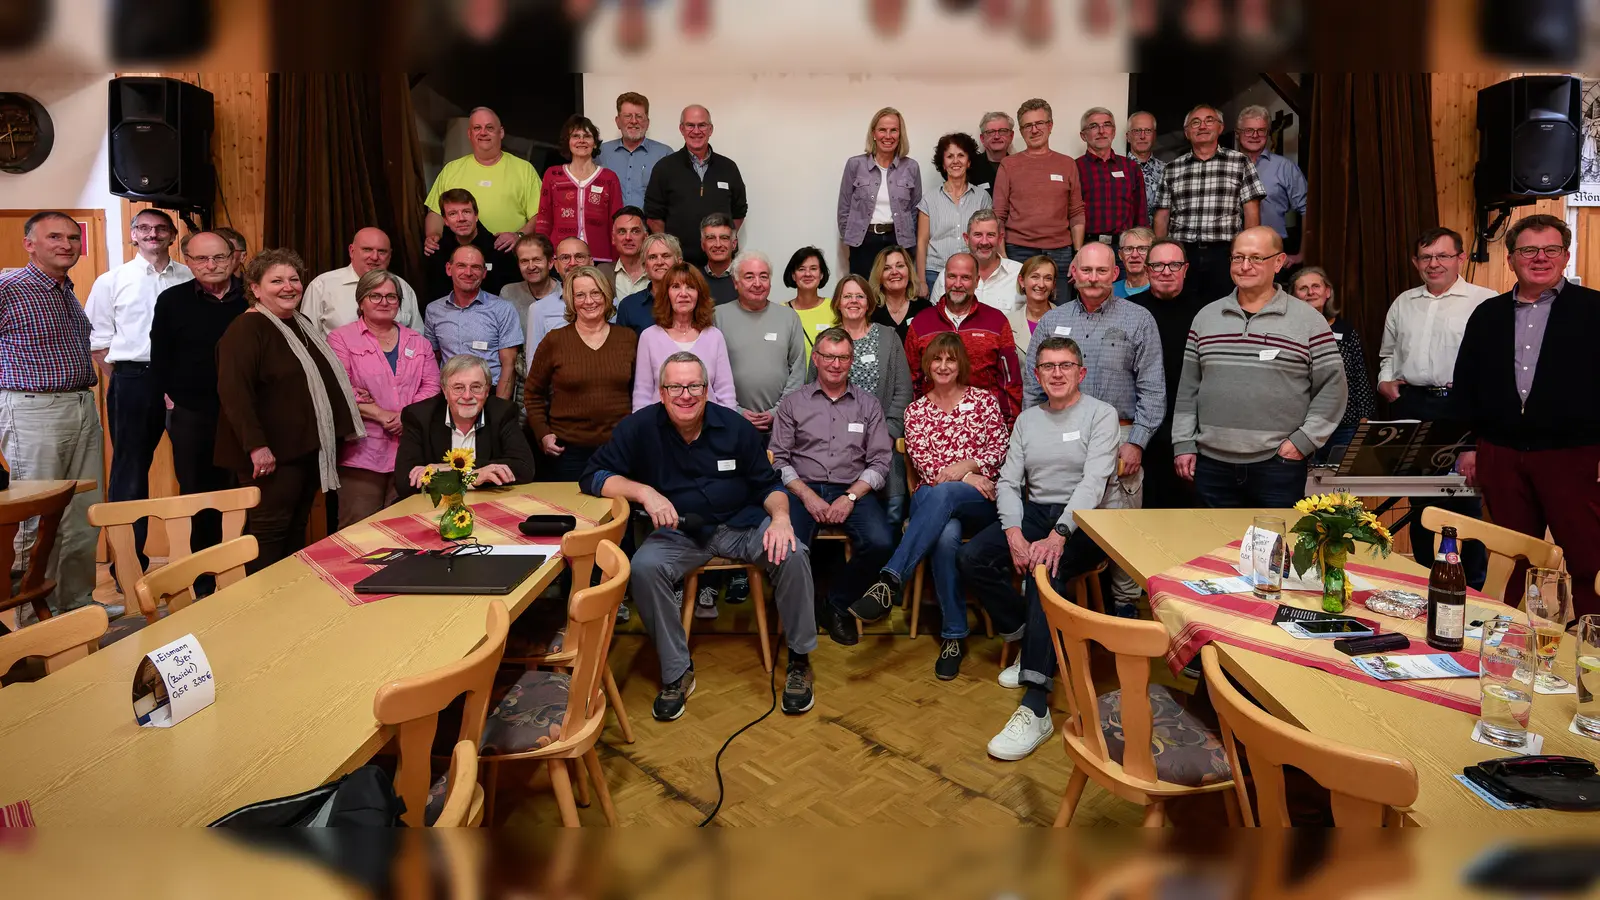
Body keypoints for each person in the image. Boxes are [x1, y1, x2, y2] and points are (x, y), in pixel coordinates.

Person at [582, 351, 818, 720]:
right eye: (675, 386)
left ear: (707, 390)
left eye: (693, 385)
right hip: (681, 533)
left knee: (793, 553)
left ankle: (800, 662)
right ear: (661, 392)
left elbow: (769, 485)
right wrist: (644, 492)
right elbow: (593, 477)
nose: (685, 394)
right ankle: (677, 671)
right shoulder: (638, 428)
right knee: (643, 567)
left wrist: (782, 518)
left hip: (742, 526)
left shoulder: (735, 427)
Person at [961, 337, 1119, 760]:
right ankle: (1028, 633)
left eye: (1065, 365)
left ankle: (1036, 704)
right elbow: (1010, 483)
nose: (1056, 373)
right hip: (1034, 511)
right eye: (1047, 366)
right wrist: (1013, 531)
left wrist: (1059, 534)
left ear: (1080, 372)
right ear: (1038, 374)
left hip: (1086, 520)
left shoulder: (1101, 415)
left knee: (1045, 572)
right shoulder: (1028, 420)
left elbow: (1094, 482)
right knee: (973, 556)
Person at [1453, 214, 1600, 619]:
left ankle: (1593, 641)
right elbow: (1467, 382)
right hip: (1499, 452)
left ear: (1566, 256)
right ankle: (1508, 636)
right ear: (1511, 259)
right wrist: (1468, 445)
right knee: (1511, 555)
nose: (1540, 258)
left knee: (1589, 556)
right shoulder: (1488, 315)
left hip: (1573, 454)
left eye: (1551, 249)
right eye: (1528, 250)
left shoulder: (1594, 310)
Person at [847, 334, 1006, 678]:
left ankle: (889, 580)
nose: (944, 366)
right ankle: (953, 637)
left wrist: (968, 469)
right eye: (937, 360)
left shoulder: (985, 402)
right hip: (932, 495)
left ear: (961, 363)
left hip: (979, 501)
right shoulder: (916, 411)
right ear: (927, 365)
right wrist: (966, 473)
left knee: (945, 501)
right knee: (945, 533)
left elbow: (999, 451)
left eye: (950, 360)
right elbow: (926, 468)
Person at [1025, 242, 1164, 616]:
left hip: (1120, 436)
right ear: (1074, 274)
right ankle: (1061, 599)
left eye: (1102, 271)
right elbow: (1032, 383)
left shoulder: (1139, 320)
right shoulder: (1053, 321)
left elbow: (1153, 388)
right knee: (1066, 510)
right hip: (1060, 432)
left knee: (1121, 525)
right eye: (1085, 270)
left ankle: (1123, 605)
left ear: (1115, 274)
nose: (1093, 278)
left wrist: (1137, 442)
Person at [1173, 227, 1347, 508]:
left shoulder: (1309, 321)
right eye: (1237, 257)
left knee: (1273, 550)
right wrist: (1183, 444)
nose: (1244, 266)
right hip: (1211, 467)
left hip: (1277, 466)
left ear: (1278, 262)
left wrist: (1303, 442)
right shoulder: (1206, 318)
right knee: (1213, 550)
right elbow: (1188, 390)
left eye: (1256, 258)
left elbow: (1333, 389)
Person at [216, 249, 362, 572]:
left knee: (295, 529)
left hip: (303, 450)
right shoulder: (246, 329)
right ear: (255, 288)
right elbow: (234, 394)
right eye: (276, 280)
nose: (288, 287)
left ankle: (285, 602)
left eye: (294, 279)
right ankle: (258, 606)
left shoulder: (302, 323)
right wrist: (257, 447)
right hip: (270, 457)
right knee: (268, 532)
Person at [0, 212, 104, 616]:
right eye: (54, 237)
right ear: (30, 244)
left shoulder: (65, 290)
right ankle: (32, 612)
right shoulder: (10, 287)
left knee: (82, 512)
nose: (67, 244)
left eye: (73, 237)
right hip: (33, 410)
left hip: (81, 405)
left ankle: (77, 603)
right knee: (37, 516)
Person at [1379, 227, 1496, 586]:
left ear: (1460, 258)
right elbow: (1388, 352)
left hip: (1460, 407)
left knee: (1465, 503)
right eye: (1426, 257)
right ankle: (1424, 580)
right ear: (1416, 262)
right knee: (1421, 505)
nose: (1434, 264)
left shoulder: (1484, 301)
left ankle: (1472, 586)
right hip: (1412, 404)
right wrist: (1386, 381)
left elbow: (1494, 363)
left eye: (1443, 256)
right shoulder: (1404, 302)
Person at [86, 209, 193, 572]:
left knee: (195, 469)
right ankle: (128, 568)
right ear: (133, 235)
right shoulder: (111, 280)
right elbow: (99, 343)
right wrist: (127, 380)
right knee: (129, 474)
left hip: (184, 383)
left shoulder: (190, 276)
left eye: (161, 228)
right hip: (133, 380)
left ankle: (199, 563)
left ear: (172, 236)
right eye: (144, 228)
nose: (152, 234)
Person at [772, 327, 894, 645]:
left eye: (842, 358)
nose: (835, 364)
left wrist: (851, 496)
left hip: (852, 489)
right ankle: (804, 612)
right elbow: (778, 459)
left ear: (851, 361)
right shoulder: (793, 404)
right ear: (816, 358)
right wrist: (807, 495)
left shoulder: (868, 405)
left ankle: (836, 604)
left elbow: (881, 462)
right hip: (801, 489)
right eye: (828, 356)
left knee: (881, 542)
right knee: (787, 549)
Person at [150, 232, 248, 561]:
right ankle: (203, 573)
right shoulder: (172, 300)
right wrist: (169, 398)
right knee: (198, 493)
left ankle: (243, 569)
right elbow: (160, 354)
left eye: (219, 257)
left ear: (234, 257)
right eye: (201, 259)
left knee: (244, 493)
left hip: (247, 414)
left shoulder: (253, 297)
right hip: (192, 413)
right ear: (188, 262)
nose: (211, 265)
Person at [327, 270, 441, 527]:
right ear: (361, 301)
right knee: (358, 531)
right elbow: (339, 388)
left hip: (410, 452)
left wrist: (405, 416)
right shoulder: (340, 339)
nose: (384, 302)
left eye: (391, 296)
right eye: (375, 296)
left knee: (407, 529)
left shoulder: (418, 341)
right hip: (361, 454)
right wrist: (382, 414)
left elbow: (432, 386)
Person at [525, 265, 639, 481]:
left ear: (606, 295)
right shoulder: (554, 340)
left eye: (596, 293)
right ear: (571, 299)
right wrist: (543, 434)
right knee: (572, 513)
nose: (589, 301)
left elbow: (639, 392)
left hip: (618, 449)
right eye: (580, 295)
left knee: (618, 512)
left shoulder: (628, 338)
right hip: (567, 452)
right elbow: (533, 394)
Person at [1153, 104, 1266, 303]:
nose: (1202, 126)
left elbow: (1251, 212)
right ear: (1187, 132)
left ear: (1220, 128)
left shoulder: (1240, 163)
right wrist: (1161, 254)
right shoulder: (1172, 168)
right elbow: (1162, 215)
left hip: (1224, 253)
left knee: (1224, 308)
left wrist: (1246, 254)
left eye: (1209, 120)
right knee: (1181, 307)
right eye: (1195, 122)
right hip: (1183, 253)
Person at [1128, 240, 1208, 509]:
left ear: (1185, 269)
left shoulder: (1207, 313)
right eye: (1158, 265)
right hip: (1141, 428)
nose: (1166, 271)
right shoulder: (1129, 311)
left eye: (1174, 264)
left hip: (1190, 427)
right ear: (1147, 270)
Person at [394, 354, 537, 499]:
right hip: (431, 508)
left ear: (487, 391)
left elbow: (524, 469)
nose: (467, 396)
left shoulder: (502, 413)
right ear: (444, 391)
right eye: (458, 387)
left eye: (476, 387)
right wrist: (473, 476)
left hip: (487, 502)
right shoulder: (419, 416)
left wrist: (443, 469)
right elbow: (405, 482)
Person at [831, 274, 913, 522]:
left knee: (893, 509)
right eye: (847, 296)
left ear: (869, 302)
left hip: (883, 440)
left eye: (859, 296)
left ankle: (891, 556)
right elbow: (814, 392)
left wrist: (887, 434)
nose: (853, 301)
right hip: (838, 442)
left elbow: (903, 390)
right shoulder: (828, 340)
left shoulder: (888, 337)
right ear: (838, 302)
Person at [906, 252, 1023, 423]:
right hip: (934, 422)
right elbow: (912, 379)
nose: (958, 284)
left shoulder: (996, 321)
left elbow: (1010, 381)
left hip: (986, 422)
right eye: (952, 276)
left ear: (976, 281)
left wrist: (1010, 425)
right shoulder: (922, 322)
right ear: (944, 279)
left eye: (965, 277)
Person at [993, 98, 1085, 302]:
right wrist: (1003, 257)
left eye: (1039, 123)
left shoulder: (1067, 164)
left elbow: (1076, 213)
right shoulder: (1009, 165)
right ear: (1021, 131)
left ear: (1050, 125)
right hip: (1018, 252)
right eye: (1027, 125)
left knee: (1060, 314)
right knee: (1020, 312)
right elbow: (998, 214)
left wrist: (1077, 253)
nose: (1034, 130)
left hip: (1061, 253)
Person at [714, 251, 808, 436]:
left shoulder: (789, 318)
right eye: (749, 277)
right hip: (731, 422)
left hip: (781, 425)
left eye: (763, 276)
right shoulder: (717, 316)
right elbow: (710, 373)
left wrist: (777, 411)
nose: (757, 283)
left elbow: (797, 371)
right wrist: (736, 410)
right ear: (735, 282)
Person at [423, 107, 541, 254]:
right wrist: (433, 236)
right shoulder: (451, 169)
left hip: (509, 257)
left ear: (501, 132)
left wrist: (518, 235)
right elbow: (435, 212)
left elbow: (540, 215)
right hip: (463, 261)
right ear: (469, 134)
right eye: (477, 128)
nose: (483, 132)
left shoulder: (524, 170)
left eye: (489, 128)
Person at [644, 105, 748, 269]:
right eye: (690, 125)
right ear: (682, 129)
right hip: (680, 265)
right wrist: (670, 251)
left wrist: (720, 242)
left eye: (702, 125)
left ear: (710, 129)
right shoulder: (664, 168)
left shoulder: (728, 168)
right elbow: (653, 216)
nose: (696, 131)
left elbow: (739, 211)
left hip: (720, 264)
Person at [1290, 267, 1374, 466]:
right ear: (1293, 296)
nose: (1311, 292)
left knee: (1342, 492)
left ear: (1327, 292)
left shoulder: (1345, 331)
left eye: (1316, 286)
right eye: (1303, 288)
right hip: (1302, 427)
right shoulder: (1288, 332)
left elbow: (1359, 377)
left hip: (1345, 425)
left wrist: (1364, 419)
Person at [422, 245, 524, 402]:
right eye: (461, 266)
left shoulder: (502, 309)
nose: (468, 273)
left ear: (484, 273)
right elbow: (433, 359)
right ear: (449, 269)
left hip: (490, 393)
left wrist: (499, 408)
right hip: (449, 395)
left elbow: (509, 365)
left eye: (475, 267)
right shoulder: (434, 310)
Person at [632, 263, 736, 410]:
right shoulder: (649, 337)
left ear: (699, 293)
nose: (683, 293)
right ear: (666, 294)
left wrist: (727, 430)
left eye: (690, 287)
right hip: (660, 428)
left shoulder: (714, 336)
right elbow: (642, 395)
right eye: (675, 287)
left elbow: (726, 394)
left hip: (709, 427)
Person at [838, 107, 922, 278]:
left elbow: (915, 210)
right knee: (864, 295)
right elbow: (844, 208)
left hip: (899, 243)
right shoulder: (855, 165)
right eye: (882, 130)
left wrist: (908, 241)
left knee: (895, 294)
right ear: (874, 134)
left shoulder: (911, 167)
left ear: (900, 134)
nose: (888, 136)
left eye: (894, 130)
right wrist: (852, 240)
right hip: (863, 242)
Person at [532, 115, 625, 264]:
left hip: (600, 257)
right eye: (575, 136)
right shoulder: (553, 175)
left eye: (587, 136)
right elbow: (544, 219)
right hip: (561, 258)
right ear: (568, 142)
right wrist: (543, 255)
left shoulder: (609, 178)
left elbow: (616, 223)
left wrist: (616, 259)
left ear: (594, 143)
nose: (581, 140)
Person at [303, 227, 423, 336]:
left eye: (382, 251)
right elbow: (308, 340)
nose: (375, 257)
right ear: (351, 251)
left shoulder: (403, 287)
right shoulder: (322, 286)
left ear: (390, 255)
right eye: (367, 249)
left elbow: (418, 338)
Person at [916, 132, 992, 297]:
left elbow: (990, 238)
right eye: (950, 156)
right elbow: (922, 242)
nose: (956, 161)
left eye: (961, 155)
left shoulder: (982, 198)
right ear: (943, 164)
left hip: (970, 274)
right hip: (935, 273)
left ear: (969, 161)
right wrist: (921, 280)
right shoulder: (929, 199)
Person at [1235, 105, 1308, 266]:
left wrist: (1302, 254)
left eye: (1261, 130)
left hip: (1273, 252)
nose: (1255, 135)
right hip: (1232, 252)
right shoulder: (1225, 166)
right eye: (1248, 130)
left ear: (1268, 133)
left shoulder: (1285, 167)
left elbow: (1307, 209)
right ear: (1237, 133)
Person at [423, 188, 519, 301]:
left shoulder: (499, 248)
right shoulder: (437, 251)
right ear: (446, 220)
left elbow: (511, 298)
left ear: (476, 215)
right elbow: (433, 297)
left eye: (466, 212)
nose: (461, 219)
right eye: (453, 214)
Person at [1075, 107, 1148, 252]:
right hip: (1087, 247)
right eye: (1094, 126)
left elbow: (1141, 214)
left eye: (1107, 125)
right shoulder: (1074, 167)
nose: (1101, 131)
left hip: (1125, 248)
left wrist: (1142, 248)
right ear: (1083, 135)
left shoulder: (1131, 168)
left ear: (1113, 132)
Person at [931, 210, 1023, 317]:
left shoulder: (1018, 274)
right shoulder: (946, 276)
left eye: (991, 235)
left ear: (999, 239)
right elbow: (935, 319)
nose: (984, 242)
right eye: (978, 235)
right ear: (966, 239)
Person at [598, 91, 672, 209]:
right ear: (617, 121)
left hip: (649, 226)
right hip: (611, 226)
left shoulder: (664, 154)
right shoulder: (600, 153)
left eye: (639, 116)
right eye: (627, 116)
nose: (633, 121)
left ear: (647, 122)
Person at [615, 233, 683, 332]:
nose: (659, 262)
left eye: (666, 256)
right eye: (652, 257)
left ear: (679, 263)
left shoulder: (691, 301)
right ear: (645, 266)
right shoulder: (629, 306)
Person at [870, 244, 932, 344]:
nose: (894, 272)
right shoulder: (870, 312)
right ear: (879, 276)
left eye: (900, 266)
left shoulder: (924, 308)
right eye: (887, 268)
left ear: (909, 271)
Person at [783, 246, 836, 345]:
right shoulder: (782, 311)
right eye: (801, 269)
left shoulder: (834, 308)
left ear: (821, 274)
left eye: (813, 269)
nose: (807, 274)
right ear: (793, 275)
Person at [1013, 255, 1058, 347]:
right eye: (1035, 277)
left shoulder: (1066, 319)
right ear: (1021, 281)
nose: (1041, 284)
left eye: (1048, 278)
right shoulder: (1008, 322)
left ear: (1053, 284)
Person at [1126, 110, 1164, 216]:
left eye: (1148, 131)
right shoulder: (1117, 169)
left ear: (1154, 136)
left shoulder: (1166, 170)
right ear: (1128, 136)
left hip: (1159, 232)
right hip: (1127, 232)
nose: (1142, 136)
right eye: (1137, 131)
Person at [968, 111, 1015, 193]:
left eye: (1003, 131)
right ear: (982, 139)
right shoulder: (969, 167)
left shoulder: (1021, 168)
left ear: (1011, 136)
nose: (997, 136)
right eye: (990, 132)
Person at [698, 213, 738, 306]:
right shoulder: (693, 280)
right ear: (703, 244)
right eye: (711, 238)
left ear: (734, 244)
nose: (718, 245)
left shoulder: (745, 279)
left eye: (724, 238)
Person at [610, 206, 650, 298]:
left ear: (646, 237)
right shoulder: (602, 273)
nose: (628, 237)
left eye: (635, 231)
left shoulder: (659, 271)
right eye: (622, 231)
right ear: (613, 238)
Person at [1111, 227, 1154, 298]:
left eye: (1142, 249)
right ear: (1120, 255)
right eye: (1128, 249)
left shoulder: (1159, 291)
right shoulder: (1110, 292)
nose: (1134, 255)